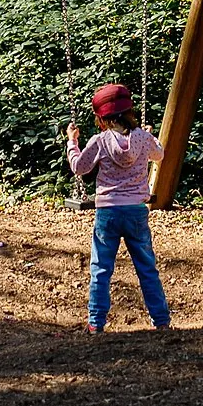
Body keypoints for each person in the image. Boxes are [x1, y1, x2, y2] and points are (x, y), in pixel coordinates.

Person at [66, 82, 171, 333]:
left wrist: (72, 142)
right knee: (146, 267)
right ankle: (162, 321)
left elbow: (79, 168)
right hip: (136, 211)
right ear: (129, 111)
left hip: (108, 214)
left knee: (101, 269)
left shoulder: (99, 141)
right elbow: (159, 155)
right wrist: (149, 135)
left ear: (102, 118)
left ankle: (96, 323)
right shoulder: (144, 139)